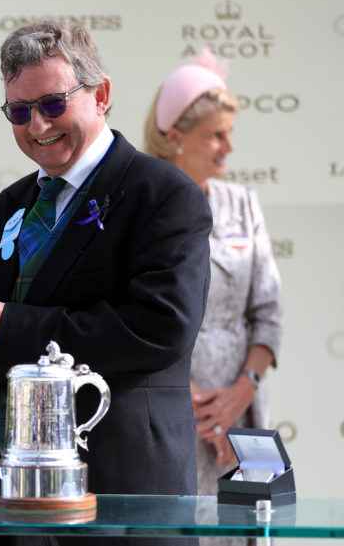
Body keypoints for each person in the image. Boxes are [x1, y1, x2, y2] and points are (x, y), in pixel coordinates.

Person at [0, 20, 212, 546]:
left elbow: (160, 328)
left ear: (101, 94)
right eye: (19, 111)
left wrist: (6, 325)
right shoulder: (12, 204)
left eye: (53, 104)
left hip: (123, 498)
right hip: (16, 500)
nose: (37, 125)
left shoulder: (162, 194)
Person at [144, 48, 282, 545]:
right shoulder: (142, 202)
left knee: (246, 535)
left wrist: (241, 393)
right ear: (175, 135)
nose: (228, 147)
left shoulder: (242, 204)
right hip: (169, 413)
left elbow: (267, 314)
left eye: (230, 133)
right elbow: (137, 316)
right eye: (216, 135)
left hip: (243, 416)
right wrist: (193, 403)